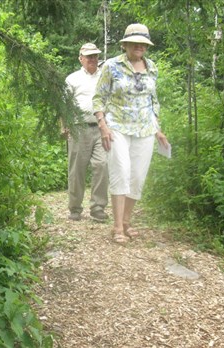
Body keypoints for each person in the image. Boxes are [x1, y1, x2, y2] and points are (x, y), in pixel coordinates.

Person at [92, 24, 170, 242]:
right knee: (122, 171)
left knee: (137, 177)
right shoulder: (111, 66)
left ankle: (127, 222)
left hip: (144, 129)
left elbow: (152, 101)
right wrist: (103, 125)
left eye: (143, 43)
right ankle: (117, 227)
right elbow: (98, 97)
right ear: (125, 44)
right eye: (135, 42)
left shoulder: (152, 67)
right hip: (117, 127)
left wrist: (158, 130)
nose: (139, 46)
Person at [62, 43, 109, 222]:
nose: (93, 59)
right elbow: (64, 104)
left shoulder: (105, 77)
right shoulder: (72, 79)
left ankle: (98, 208)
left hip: (101, 127)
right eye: (89, 56)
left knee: (102, 165)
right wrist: (64, 126)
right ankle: (75, 209)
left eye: (95, 56)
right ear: (80, 58)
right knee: (76, 170)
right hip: (78, 128)